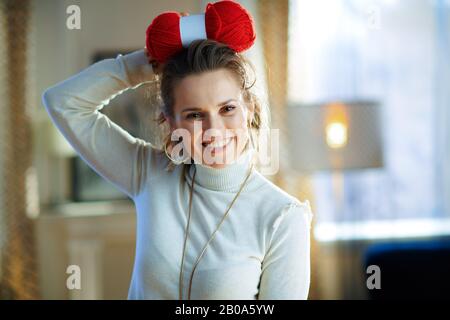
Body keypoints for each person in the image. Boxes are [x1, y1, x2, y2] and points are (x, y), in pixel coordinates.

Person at [42, 4, 313, 300]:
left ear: (249, 108)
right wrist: (143, 66)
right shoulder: (149, 173)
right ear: (171, 121)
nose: (214, 129)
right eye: (195, 115)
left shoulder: (282, 218)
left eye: (228, 108)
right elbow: (62, 102)